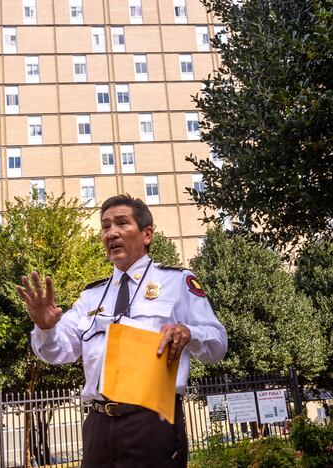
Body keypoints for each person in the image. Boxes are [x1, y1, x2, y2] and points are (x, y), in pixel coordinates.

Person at [17, 194, 227, 467]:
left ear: (147, 234)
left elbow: (218, 344)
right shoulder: (92, 296)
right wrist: (45, 327)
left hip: (152, 421)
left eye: (122, 223)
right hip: (98, 425)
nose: (111, 233)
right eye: (105, 227)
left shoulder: (177, 282)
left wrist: (189, 332)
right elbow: (57, 352)